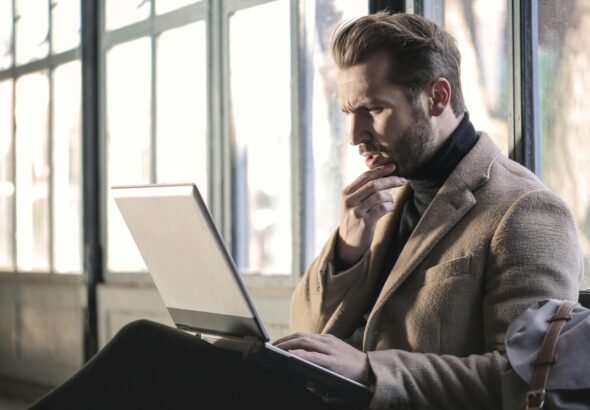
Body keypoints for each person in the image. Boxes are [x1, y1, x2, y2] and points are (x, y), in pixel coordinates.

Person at [31, 12, 582, 410]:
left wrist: (370, 371)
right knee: (149, 349)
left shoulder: (525, 211)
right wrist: (346, 249)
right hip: (317, 395)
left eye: (373, 110)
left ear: (437, 98)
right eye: (349, 111)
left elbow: (524, 381)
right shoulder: (385, 193)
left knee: (147, 356)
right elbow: (306, 328)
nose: (355, 135)